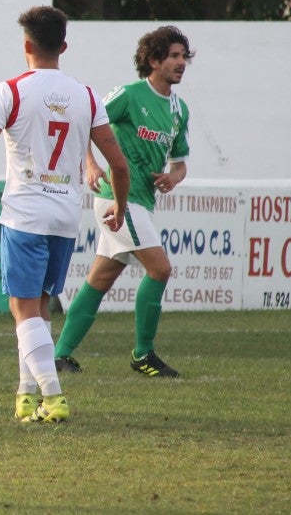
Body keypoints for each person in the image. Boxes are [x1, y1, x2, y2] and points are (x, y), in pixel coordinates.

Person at [0, 6, 128, 423]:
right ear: (64, 46)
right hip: (65, 219)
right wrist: (121, 205)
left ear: (26, 45)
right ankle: (25, 395)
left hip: (24, 216)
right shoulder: (86, 96)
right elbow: (119, 165)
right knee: (37, 306)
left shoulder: (11, 91)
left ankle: (53, 397)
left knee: (22, 309)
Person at [54, 26, 194, 378]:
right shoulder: (129, 95)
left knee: (100, 279)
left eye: (183, 56)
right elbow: (84, 124)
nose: (181, 62)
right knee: (160, 269)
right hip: (118, 199)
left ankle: (60, 355)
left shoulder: (179, 110)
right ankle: (143, 354)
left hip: (142, 202)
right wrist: (90, 164)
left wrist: (173, 177)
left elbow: (180, 164)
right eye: (174, 56)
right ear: (153, 60)